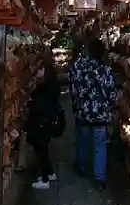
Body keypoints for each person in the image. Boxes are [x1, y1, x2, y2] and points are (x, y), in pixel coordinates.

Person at [69, 38, 118, 191]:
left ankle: (81, 167)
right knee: (100, 147)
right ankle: (100, 179)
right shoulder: (106, 70)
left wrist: (77, 106)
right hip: (100, 115)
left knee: (82, 142)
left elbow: (73, 90)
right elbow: (112, 95)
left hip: (83, 113)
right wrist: (109, 106)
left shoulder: (77, 67)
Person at [25, 64, 61, 189]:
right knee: (42, 149)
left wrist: (29, 103)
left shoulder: (44, 89)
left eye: (41, 69)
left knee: (41, 151)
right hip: (46, 122)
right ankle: (50, 173)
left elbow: (38, 106)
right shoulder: (50, 87)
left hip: (41, 123)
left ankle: (45, 180)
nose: (38, 71)